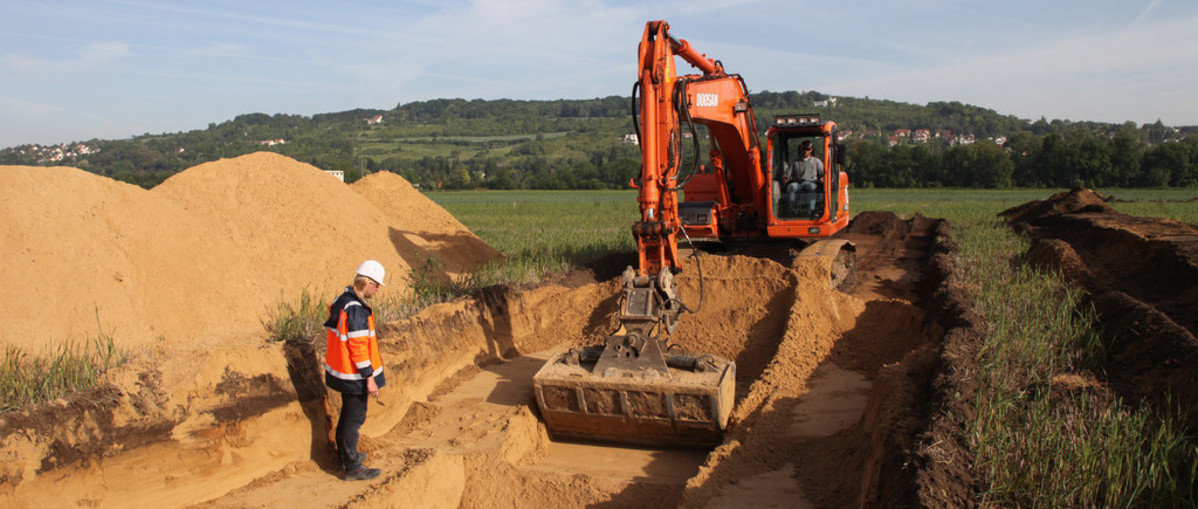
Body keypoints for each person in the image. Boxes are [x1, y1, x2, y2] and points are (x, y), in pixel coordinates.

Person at [324, 260, 387, 481]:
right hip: (354, 375)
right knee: (354, 419)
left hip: (340, 371)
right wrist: (369, 378)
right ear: (366, 282)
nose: (378, 289)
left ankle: (345, 457)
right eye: (376, 285)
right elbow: (359, 349)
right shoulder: (357, 310)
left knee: (347, 417)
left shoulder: (341, 300)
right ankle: (352, 468)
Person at [783, 140, 825, 215]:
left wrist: (822, 178)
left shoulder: (816, 162)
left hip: (811, 182)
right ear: (801, 149)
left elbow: (823, 174)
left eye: (807, 149)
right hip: (798, 183)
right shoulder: (795, 162)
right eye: (803, 149)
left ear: (811, 150)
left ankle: (811, 210)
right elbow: (787, 174)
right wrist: (785, 177)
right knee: (791, 187)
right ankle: (791, 209)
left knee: (812, 187)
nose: (805, 151)